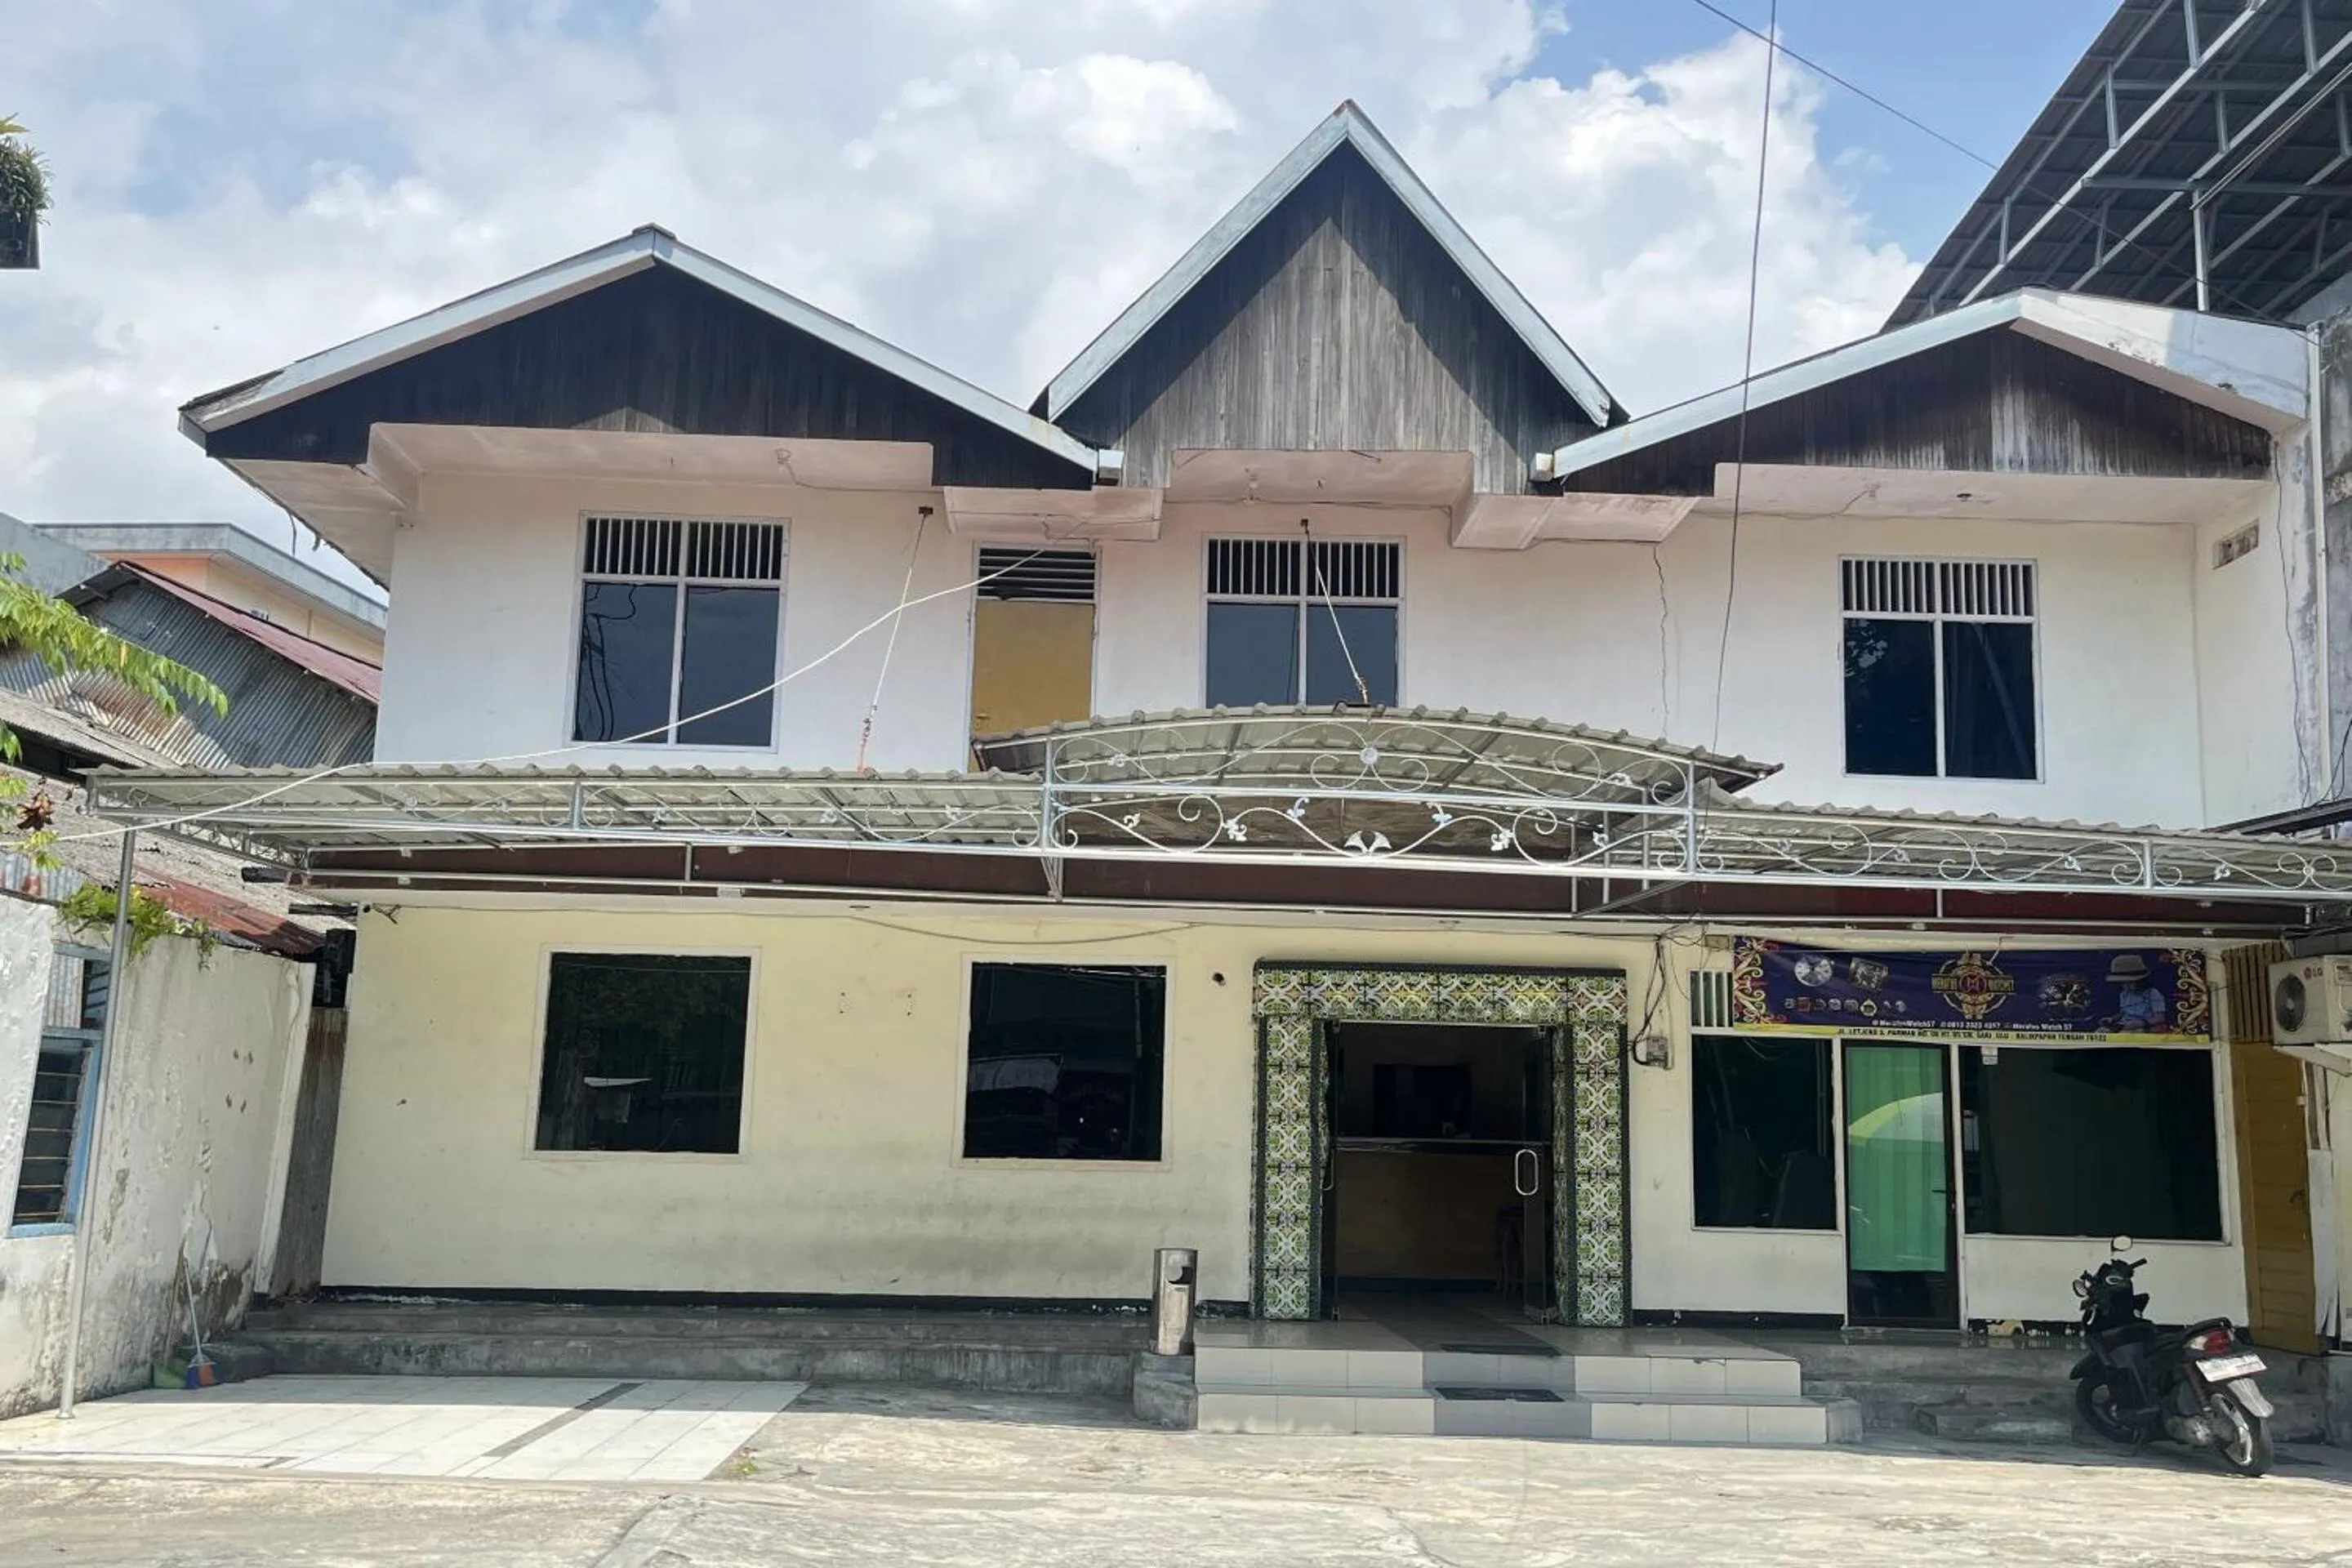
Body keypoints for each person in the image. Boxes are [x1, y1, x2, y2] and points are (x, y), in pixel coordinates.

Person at [2106, 954, 2169, 1031]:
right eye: (2124, 983)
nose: (2127, 986)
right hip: (2124, 1025)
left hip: (2144, 1027)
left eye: (2130, 982)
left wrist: (2140, 1023)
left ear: (2140, 981)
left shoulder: (2153, 993)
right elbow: (2122, 1013)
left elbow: (2160, 1018)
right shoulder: (2124, 994)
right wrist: (2111, 1019)